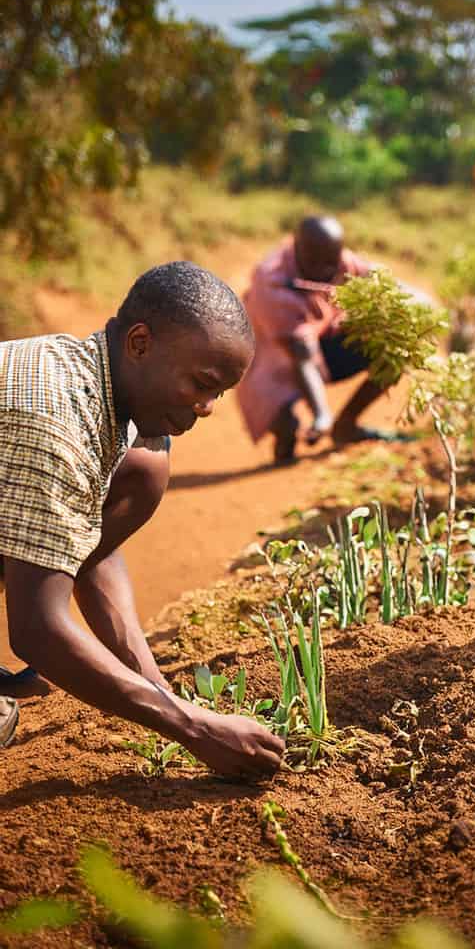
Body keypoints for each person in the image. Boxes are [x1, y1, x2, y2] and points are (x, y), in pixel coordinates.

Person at [0, 262, 284, 776]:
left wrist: (154, 686)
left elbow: (87, 538)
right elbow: (36, 629)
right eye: (202, 383)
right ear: (139, 344)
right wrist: (192, 727)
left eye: (219, 392)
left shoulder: (89, 381)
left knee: (144, 465)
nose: (209, 407)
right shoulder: (53, 421)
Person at [236, 215, 409, 464]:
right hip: (272, 361)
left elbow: (377, 279)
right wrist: (321, 414)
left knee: (394, 351)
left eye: (332, 260)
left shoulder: (340, 261)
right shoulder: (271, 282)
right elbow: (301, 353)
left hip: (320, 346)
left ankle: (346, 426)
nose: (328, 269)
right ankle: (285, 449)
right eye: (317, 261)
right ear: (298, 250)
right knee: (285, 424)